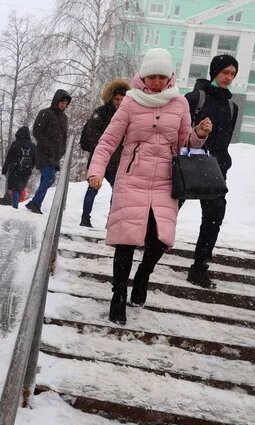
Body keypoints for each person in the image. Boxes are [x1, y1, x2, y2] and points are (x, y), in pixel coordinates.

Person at [86, 48, 212, 325]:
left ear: (170, 77)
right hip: (132, 180)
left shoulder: (179, 104)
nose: (156, 82)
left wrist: (198, 135)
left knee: (159, 240)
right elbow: (108, 141)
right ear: (143, 76)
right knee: (125, 241)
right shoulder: (130, 102)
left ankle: (143, 274)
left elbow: (183, 143)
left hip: (166, 181)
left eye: (161, 76)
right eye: (151, 76)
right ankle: (118, 296)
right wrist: (95, 171)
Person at [183, 54, 239, 289]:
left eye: (232, 74)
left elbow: (225, 140)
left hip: (216, 169)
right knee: (167, 210)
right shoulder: (194, 98)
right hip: (187, 164)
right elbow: (179, 133)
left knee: (214, 218)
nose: (228, 77)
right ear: (214, 72)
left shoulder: (232, 107)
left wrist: (223, 162)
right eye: (225, 72)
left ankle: (199, 268)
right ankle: (150, 249)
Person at [79, 79, 130, 227]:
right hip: (101, 160)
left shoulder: (127, 115)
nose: (119, 102)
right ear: (111, 98)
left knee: (117, 193)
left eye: (122, 99)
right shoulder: (100, 113)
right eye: (117, 99)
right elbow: (92, 133)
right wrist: (104, 147)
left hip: (117, 162)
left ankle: (111, 221)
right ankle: (85, 218)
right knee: (93, 189)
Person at [26, 89, 72, 214]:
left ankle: (36, 205)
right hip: (43, 153)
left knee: (46, 179)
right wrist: (47, 145)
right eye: (61, 102)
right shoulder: (45, 113)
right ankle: (34, 203)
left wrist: (61, 150)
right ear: (56, 101)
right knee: (50, 178)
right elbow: (37, 131)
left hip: (55, 155)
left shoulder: (64, 118)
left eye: (65, 103)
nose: (63, 105)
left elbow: (64, 136)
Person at [2, 126, 37, 209]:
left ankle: (15, 206)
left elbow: (9, 158)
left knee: (15, 189)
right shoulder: (32, 146)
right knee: (20, 188)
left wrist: (5, 169)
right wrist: (31, 168)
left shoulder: (15, 144)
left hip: (15, 169)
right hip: (26, 170)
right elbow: (35, 159)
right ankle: (15, 205)